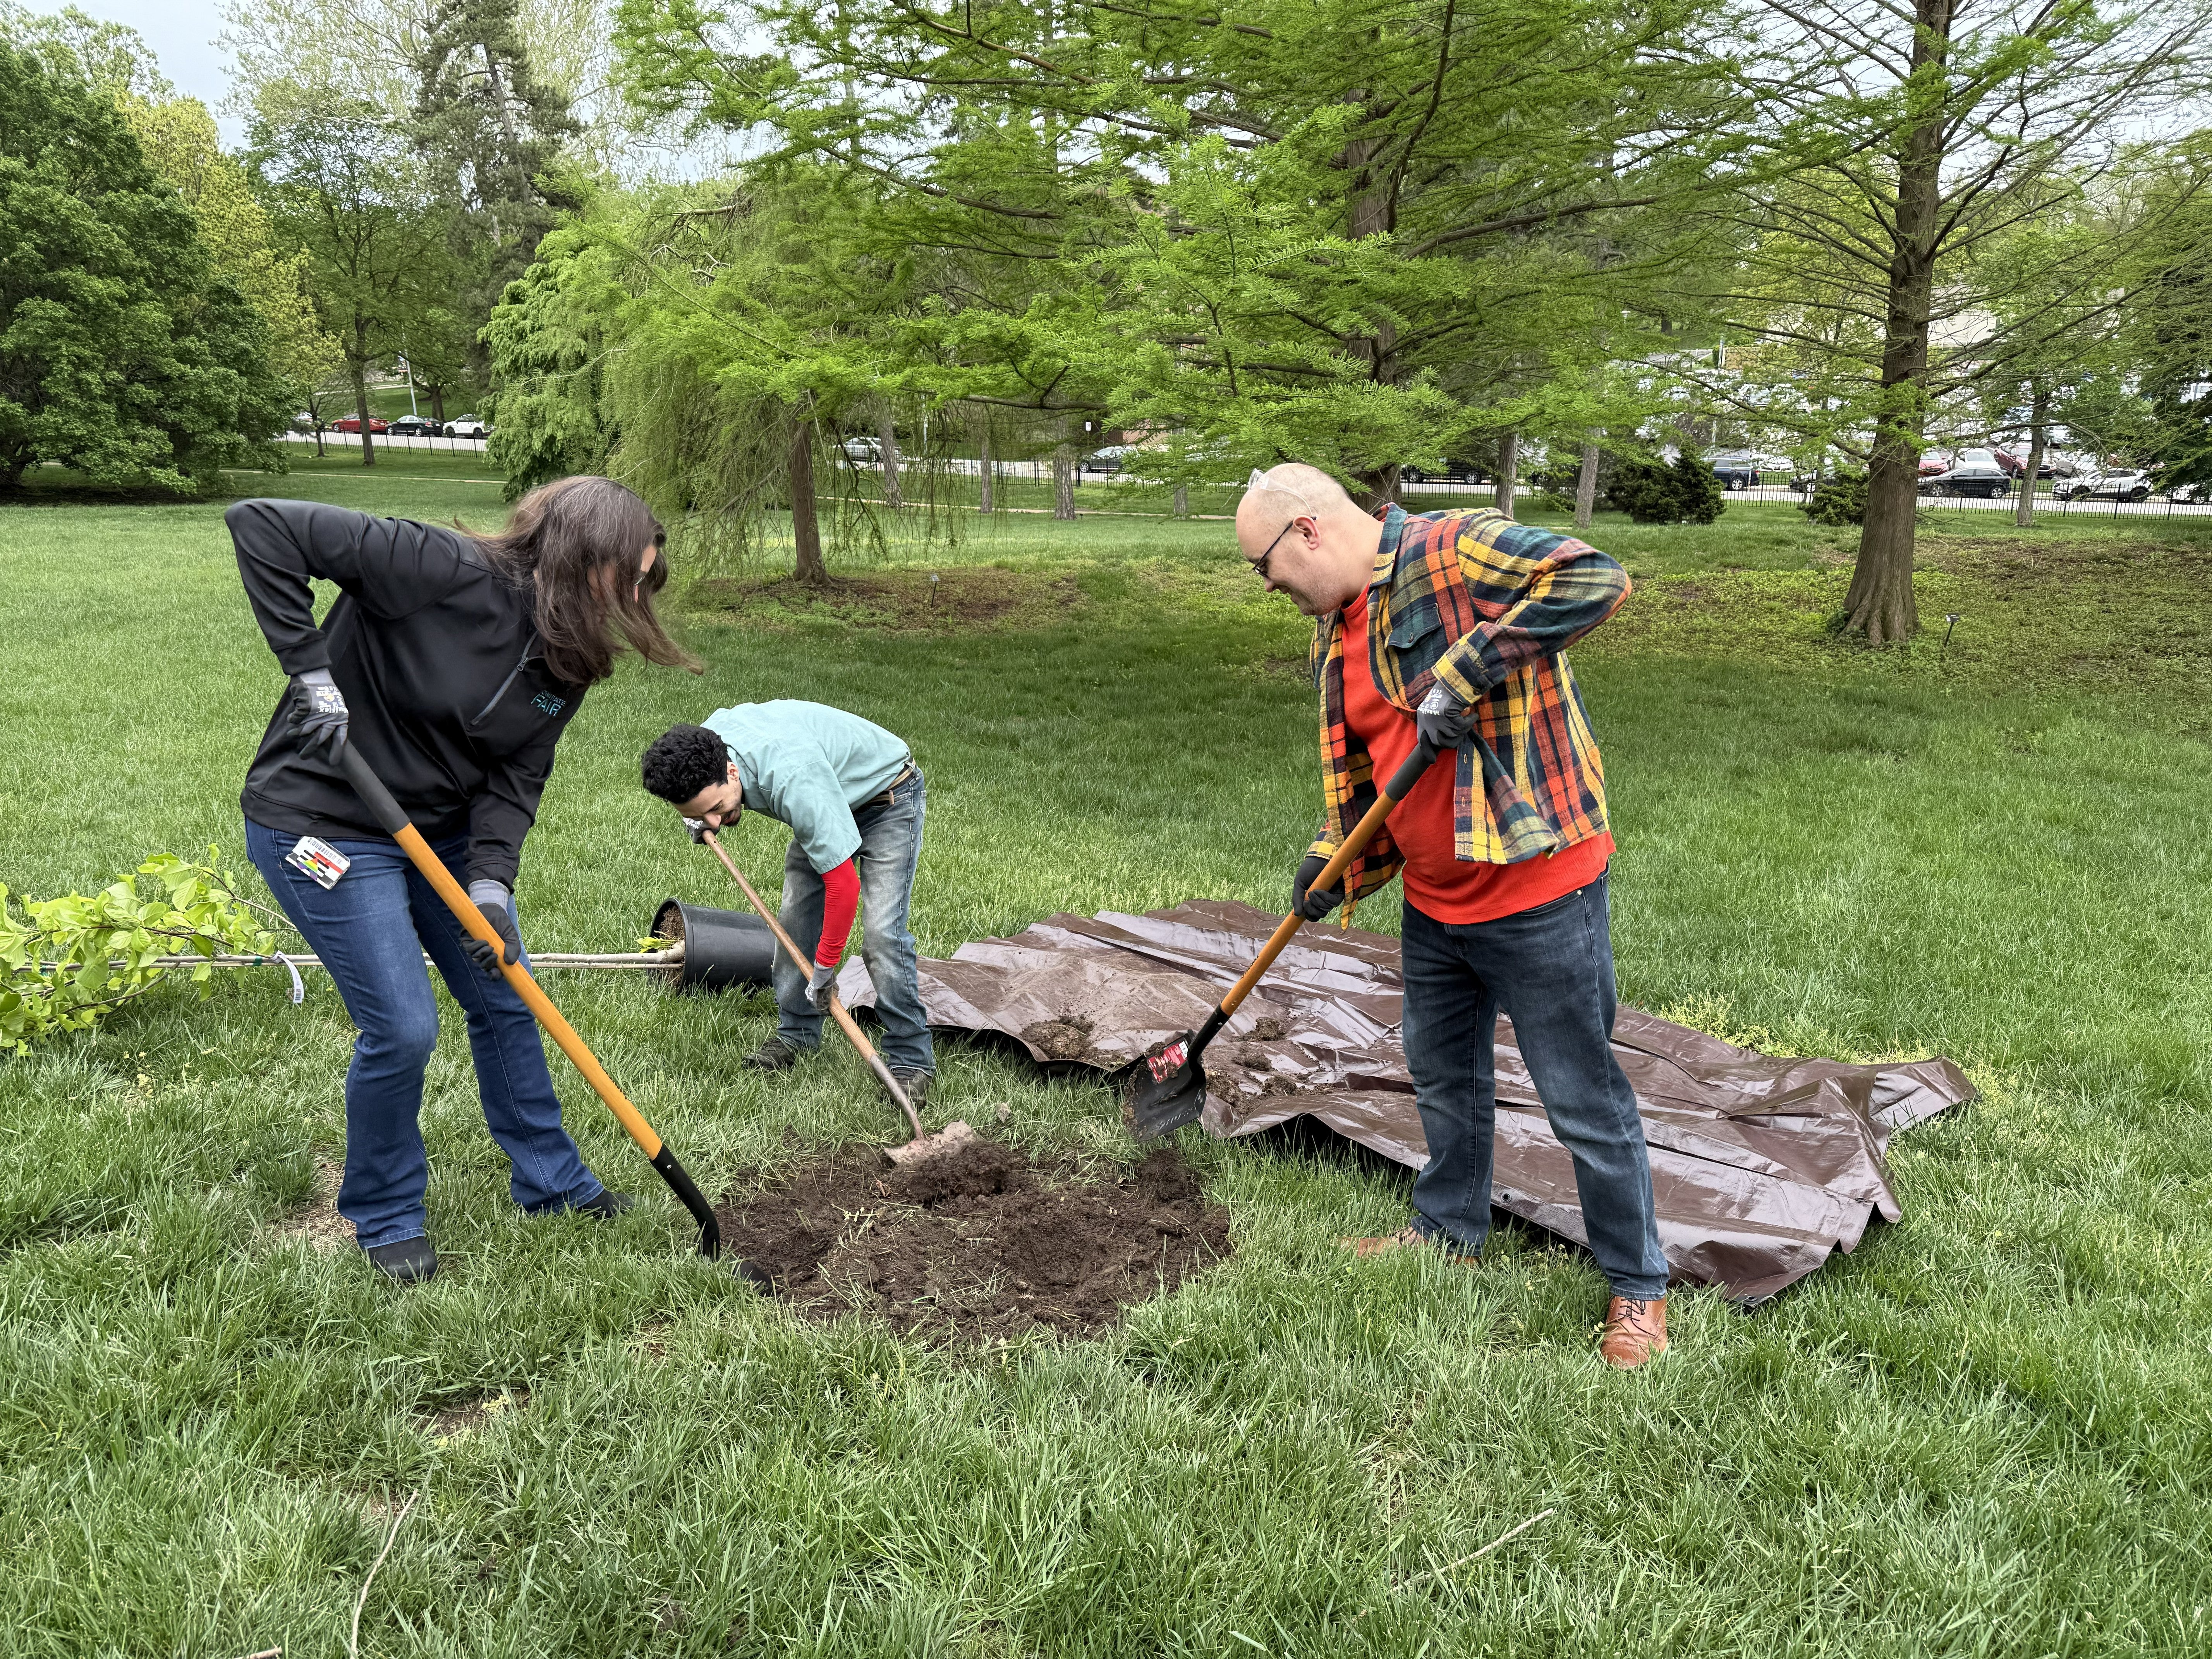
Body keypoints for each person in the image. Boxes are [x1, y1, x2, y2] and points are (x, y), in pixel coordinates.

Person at [1235, 463, 1670, 1369]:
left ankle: (1638, 1289)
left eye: (1267, 566)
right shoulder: (1333, 632)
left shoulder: (1452, 549)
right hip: (1437, 902)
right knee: (1444, 1078)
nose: (1270, 587)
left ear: (1307, 531)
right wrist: (1332, 864)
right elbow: (1365, 779)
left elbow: (1596, 576)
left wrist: (1466, 671)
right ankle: (1448, 1231)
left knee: (1582, 1098)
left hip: (1537, 890)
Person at [230, 476, 698, 1284]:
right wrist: (310, 672)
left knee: (505, 992)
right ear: (584, 553)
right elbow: (262, 525)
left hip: (439, 834)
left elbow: (516, 781)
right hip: (322, 821)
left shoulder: (568, 659)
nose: (632, 598)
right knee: (405, 1028)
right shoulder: (437, 567)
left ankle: (552, 1185)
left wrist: (491, 887)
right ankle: (383, 1212)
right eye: (628, 577)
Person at [639, 705, 934, 1104]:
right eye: (698, 815)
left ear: (732, 772)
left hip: (887, 801)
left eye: (716, 810)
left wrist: (826, 968)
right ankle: (797, 1035)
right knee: (795, 921)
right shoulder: (701, 749)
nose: (714, 822)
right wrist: (698, 820)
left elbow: (843, 887)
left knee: (883, 934)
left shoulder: (794, 779)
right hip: (827, 800)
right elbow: (701, 803)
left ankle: (911, 1060)